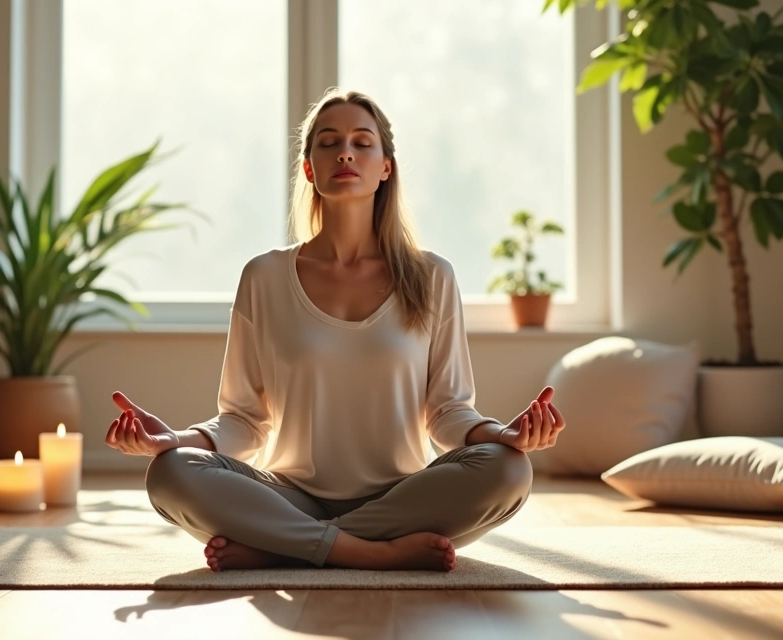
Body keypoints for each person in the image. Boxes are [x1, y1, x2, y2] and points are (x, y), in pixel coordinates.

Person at [105, 88, 566, 573]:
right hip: (289, 497)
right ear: (309, 168)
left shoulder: (432, 276)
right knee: (171, 473)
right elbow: (243, 420)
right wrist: (175, 441)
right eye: (328, 142)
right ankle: (367, 553)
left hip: (404, 499)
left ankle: (283, 549)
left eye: (362, 142)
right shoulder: (264, 276)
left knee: (508, 469)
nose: (345, 151)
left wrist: (504, 434)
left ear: (386, 166)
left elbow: (448, 410)